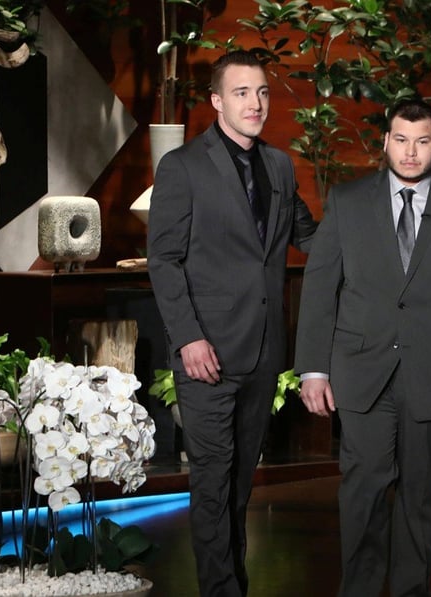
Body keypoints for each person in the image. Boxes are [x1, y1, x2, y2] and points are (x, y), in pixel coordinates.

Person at [294, 98, 431, 597]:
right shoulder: (347, 202)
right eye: (402, 140)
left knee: (420, 501)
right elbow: (321, 288)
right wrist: (313, 371)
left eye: (423, 141)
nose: (411, 153)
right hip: (362, 374)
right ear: (385, 141)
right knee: (363, 495)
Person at [146, 49, 318, 597]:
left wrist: (381, 233)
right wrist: (189, 338)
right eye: (242, 92)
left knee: (238, 488)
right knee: (213, 487)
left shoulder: (280, 166)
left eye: (263, 92)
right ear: (217, 100)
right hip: (207, 355)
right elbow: (164, 260)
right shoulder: (183, 167)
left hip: (264, 353)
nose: (256, 103)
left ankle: (233, 586)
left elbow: (312, 238)